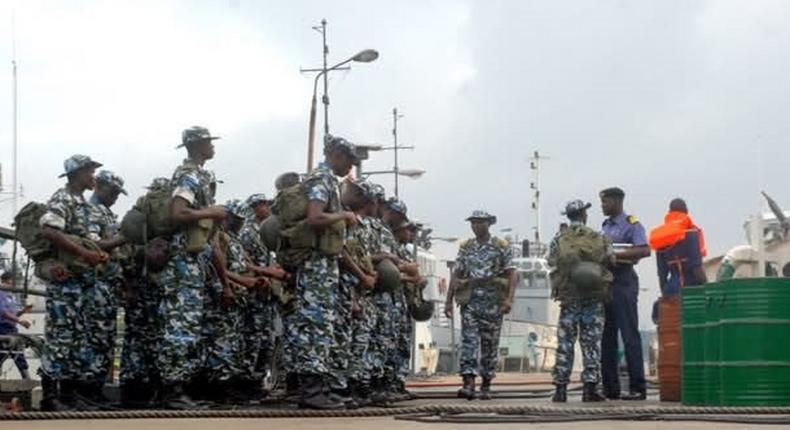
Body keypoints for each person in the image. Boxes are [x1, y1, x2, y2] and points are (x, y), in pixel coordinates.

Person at [283, 135, 358, 410]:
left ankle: (319, 387)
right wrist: (343, 217)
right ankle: (311, 390)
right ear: (337, 155)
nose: (350, 167)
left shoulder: (330, 182)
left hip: (324, 266)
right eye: (348, 160)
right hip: (315, 265)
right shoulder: (321, 179)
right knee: (314, 325)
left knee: (323, 325)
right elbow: (315, 217)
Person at [158, 126, 228, 409]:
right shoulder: (187, 174)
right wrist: (211, 211)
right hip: (182, 264)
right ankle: (172, 391)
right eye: (209, 142)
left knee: (189, 325)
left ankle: (181, 387)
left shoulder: (201, 175)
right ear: (198, 145)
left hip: (195, 262)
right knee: (180, 325)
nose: (213, 146)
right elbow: (177, 212)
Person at [39, 154, 109, 411]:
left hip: (82, 282)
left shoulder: (83, 204)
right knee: (61, 336)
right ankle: (51, 395)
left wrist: (98, 252)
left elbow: (87, 239)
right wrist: (84, 254)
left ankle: (69, 394)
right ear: (77, 173)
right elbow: (49, 230)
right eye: (90, 172)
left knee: (79, 337)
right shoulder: (63, 199)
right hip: (65, 283)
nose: (94, 177)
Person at [445, 210, 517, 400]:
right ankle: (468, 383)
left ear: (489, 224)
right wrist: (448, 302)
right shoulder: (467, 247)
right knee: (469, 343)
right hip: (471, 301)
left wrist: (509, 299)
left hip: (493, 303)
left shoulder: (501, 246)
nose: (476, 226)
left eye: (480, 222)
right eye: (473, 223)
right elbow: (457, 274)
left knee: (490, 345)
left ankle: (486, 384)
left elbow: (511, 274)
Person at [548, 200, 613, 403]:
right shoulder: (598, 237)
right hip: (592, 298)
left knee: (565, 342)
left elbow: (552, 261)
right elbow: (610, 260)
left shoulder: (559, 239)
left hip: (569, 298)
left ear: (568, 216)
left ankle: (560, 389)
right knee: (591, 342)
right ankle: (590, 389)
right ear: (584, 215)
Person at [599, 187, 650, 401]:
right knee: (607, 336)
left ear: (617, 201)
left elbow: (644, 249)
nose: (602, 206)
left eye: (605, 202)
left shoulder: (631, 224)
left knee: (629, 334)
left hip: (624, 280)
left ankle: (638, 387)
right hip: (606, 283)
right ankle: (610, 387)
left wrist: (616, 255)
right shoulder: (604, 227)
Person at [83, 169, 128, 402]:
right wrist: (123, 237)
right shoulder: (92, 211)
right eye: (112, 191)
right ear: (98, 187)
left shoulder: (106, 212)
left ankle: (97, 389)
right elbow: (93, 244)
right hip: (96, 283)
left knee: (106, 338)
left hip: (109, 284)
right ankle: (88, 391)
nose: (116, 196)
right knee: (95, 337)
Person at [650, 198, 707, 295]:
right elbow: (697, 269)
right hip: (691, 289)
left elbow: (662, 275)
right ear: (686, 212)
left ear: (669, 212)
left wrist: (665, 295)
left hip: (671, 289)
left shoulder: (661, 237)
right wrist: (706, 287)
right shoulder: (691, 234)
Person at [0, 272, 32, 379]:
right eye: (12, 280)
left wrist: (23, 311)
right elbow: (3, 312)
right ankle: (26, 378)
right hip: (2, 328)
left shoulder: (11, 296)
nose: (13, 283)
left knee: (17, 351)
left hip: (11, 328)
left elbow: (12, 314)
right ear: (7, 280)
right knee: (4, 351)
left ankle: (27, 379)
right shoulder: (1, 294)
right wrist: (20, 321)